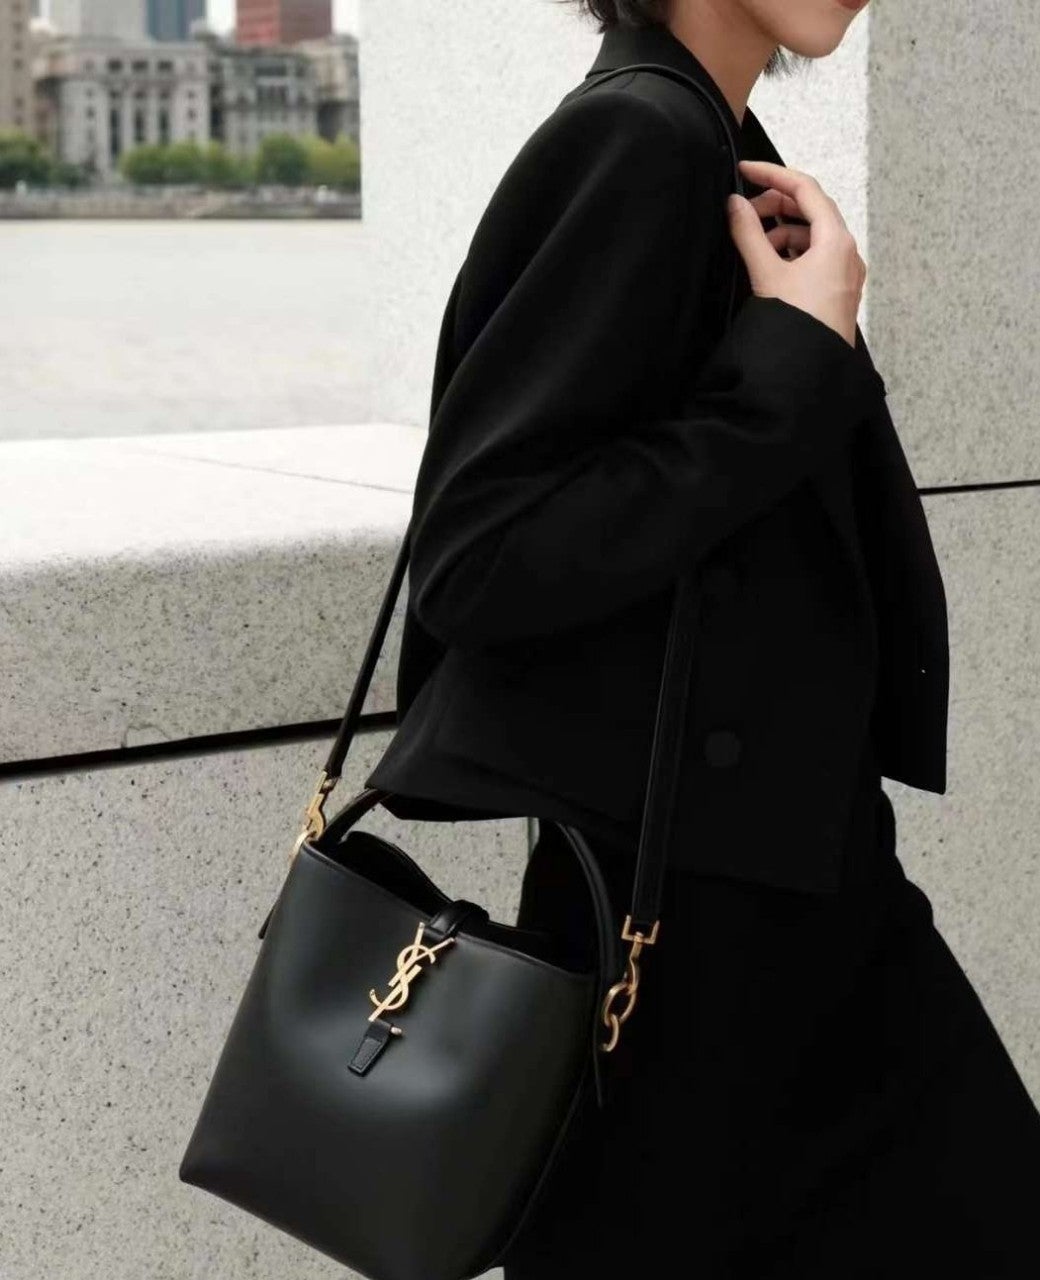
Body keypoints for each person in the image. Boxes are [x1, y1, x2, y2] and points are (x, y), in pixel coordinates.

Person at [365, 2, 1040, 1274]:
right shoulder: (635, 139)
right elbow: (477, 555)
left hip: (791, 906)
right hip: (685, 945)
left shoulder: (712, 141)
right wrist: (788, 358)